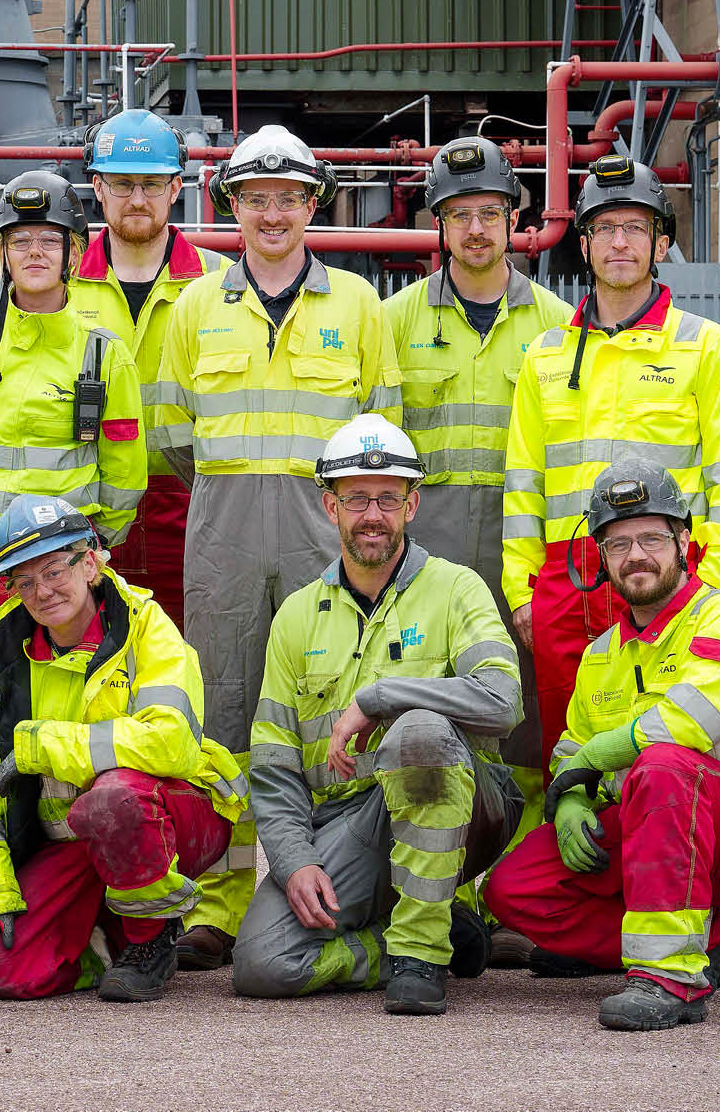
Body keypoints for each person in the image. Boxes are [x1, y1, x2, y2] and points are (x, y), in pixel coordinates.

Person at [148, 124, 402, 970]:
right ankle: (221, 901)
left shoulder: (360, 305)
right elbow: (171, 433)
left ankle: (336, 881)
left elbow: (380, 429)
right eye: (255, 199)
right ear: (232, 207)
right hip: (221, 529)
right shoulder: (194, 306)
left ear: (312, 205)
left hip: (322, 530)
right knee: (223, 706)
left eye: (288, 198)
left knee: (328, 704)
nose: (272, 215)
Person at [229, 414, 521, 1015]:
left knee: (418, 734)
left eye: (388, 498)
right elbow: (274, 766)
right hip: (351, 818)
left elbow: (501, 701)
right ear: (328, 506)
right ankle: (406, 940)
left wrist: (383, 697)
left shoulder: (457, 588)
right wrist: (295, 862)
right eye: (356, 497)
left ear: (413, 505)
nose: (373, 514)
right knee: (263, 962)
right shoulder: (296, 616)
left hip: (470, 807)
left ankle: (421, 955)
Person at [485, 459, 720, 1031]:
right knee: (512, 890)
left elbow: (691, 723)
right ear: (600, 559)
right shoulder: (601, 652)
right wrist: (571, 797)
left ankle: (670, 977)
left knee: (666, 764)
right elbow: (569, 751)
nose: (636, 556)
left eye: (652, 537)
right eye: (618, 543)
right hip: (643, 823)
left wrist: (603, 754)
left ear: (683, 542)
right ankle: (712, 932)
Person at [499, 154, 720, 781]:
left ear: (661, 241)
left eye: (636, 228)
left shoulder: (703, 345)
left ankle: (655, 871)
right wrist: (521, 591)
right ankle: (568, 868)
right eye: (606, 228)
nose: (621, 242)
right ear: (583, 244)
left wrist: (712, 576)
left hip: (666, 570)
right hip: (565, 584)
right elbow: (523, 478)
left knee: (663, 744)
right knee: (566, 749)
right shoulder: (547, 354)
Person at [385, 135, 575, 966]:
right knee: (442, 720)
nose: (475, 230)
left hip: (527, 545)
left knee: (530, 726)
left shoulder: (561, 324)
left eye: (489, 214)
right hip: (431, 556)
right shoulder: (395, 323)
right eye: (459, 215)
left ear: (515, 219)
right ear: (438, 225)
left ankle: (520, 898)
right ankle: (450, 899)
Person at [0, 494, 244, 1003]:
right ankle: (99, 941)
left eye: (55, 569)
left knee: (113, 797)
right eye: (24, 580)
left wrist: (45, 744)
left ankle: (150, 940)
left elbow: (170, 744)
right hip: (70, 843)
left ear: (91, 560)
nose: (43, 591)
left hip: (177, 821)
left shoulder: (146, 626)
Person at [0, 169, 145, 738]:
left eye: (50, 239)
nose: (34, 252)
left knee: (61, 685)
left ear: (74, 251)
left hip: (64, 552)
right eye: (20, 240)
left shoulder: (103, 357)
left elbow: (124, 472)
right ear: (0, 252)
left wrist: (97, 547)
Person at [67, 109, 231, 629]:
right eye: (122, 183)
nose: (137, 198)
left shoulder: (223, 282)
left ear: (176, 187)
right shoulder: (62, 286)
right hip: (87, 506)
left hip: (195, 501)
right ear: (97, 186)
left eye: (152, 184)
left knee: (193, 651)